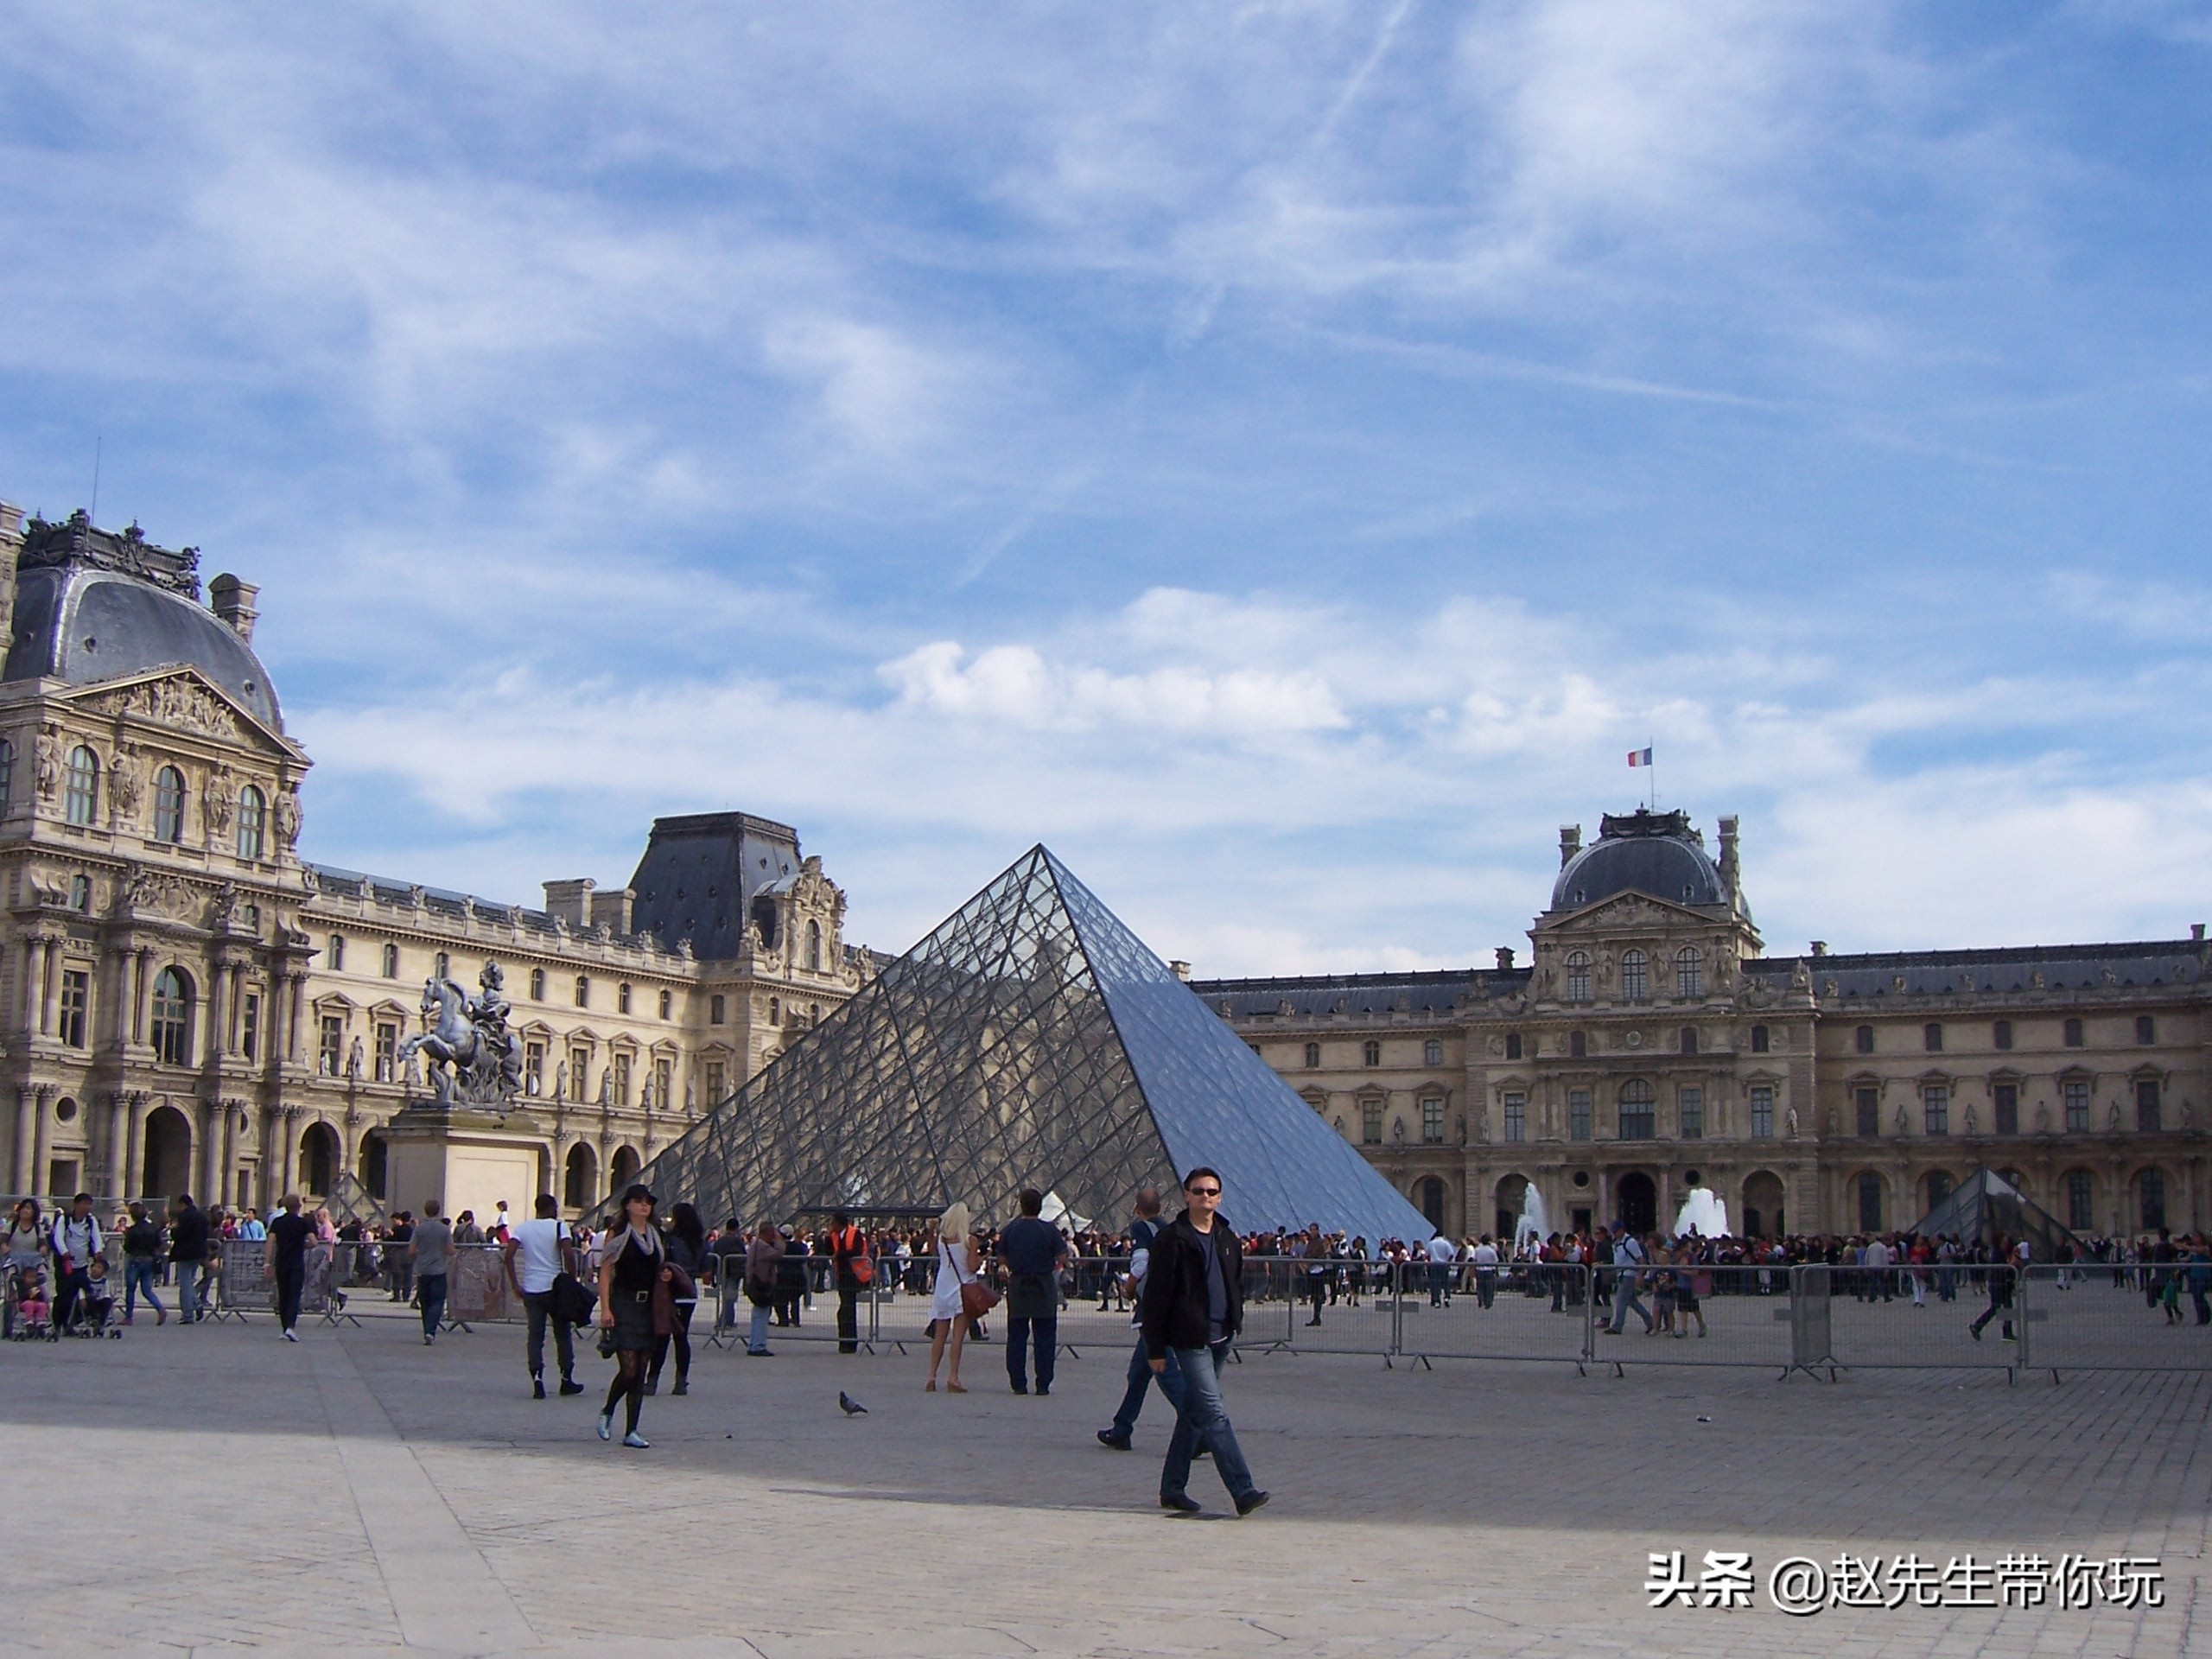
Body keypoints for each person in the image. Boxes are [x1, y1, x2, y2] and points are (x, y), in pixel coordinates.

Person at [1141, 1167, 1268, 1517]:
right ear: (1185, 1195)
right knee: (1213, 1412)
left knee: (1194, 1413)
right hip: (1190, 1337)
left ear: (1220, 1196)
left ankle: (1172, 1488)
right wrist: (1154, 1349)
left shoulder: (1227, 1236)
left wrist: (1235, 1319)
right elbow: (1155, 1296)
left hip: (1222, 1335)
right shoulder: (1172, 1238)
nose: (1205, 1197)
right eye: (1198, 1191)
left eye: (1211, 1191)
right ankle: (1242, 1490)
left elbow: (1235, 1282)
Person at [1098, 1186, 1185, 1451]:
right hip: (1170, 1305)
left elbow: (1140, 1260)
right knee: (1138, 1373)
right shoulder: (1171, 1229)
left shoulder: (1140, 1228)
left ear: (1137, 1209)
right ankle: (1122, 1428)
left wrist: (1130, 1285)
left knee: (1166, 1373)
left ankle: (1199, 1428)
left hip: (1152, 1311)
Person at [596, 1184, 666, 1448]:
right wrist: (605, 1308)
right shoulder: (618, 1232)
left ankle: (632, 1430)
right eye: (638, 1201)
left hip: (648, 1307)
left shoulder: (656, 1234)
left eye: (647, 1201)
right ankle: (608, 1410)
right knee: (629, 1368)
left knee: (640, 1372)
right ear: (627, 1205)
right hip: (624, 1304)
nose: (644, 1205)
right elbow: (605, 1271)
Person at [505, 1194, 585, 1398]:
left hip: (532, 1288)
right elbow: (568, 1253)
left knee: (535, 1336)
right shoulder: (559, 1227)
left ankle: (537, 1378)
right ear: (552, 1208)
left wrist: (516, 1283)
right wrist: (572, 1279)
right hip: (555, 1289)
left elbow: (509, 1255)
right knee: (563, 1334)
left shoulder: (523, 1228)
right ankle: (566, 1379)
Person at [998, 1188, 1071, 1395]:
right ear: (1040, 1206)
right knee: (1045, 1337)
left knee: (1016, 1337)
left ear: (1021, 1205)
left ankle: (1018, 1383)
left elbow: (1001, 1258)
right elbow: (1062, 1257)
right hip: (1043, 1286)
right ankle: (1043, 1384)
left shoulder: (1011, 1229)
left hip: (1019, 1286)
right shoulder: (1049, 1230)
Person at [647, 1202, 708, 1396]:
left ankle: (652, 1380)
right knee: (681, 1338)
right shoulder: (700, 1242)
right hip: (689, 1294)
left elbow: (662, 1263)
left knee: (662, 1337)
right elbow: (705, 1271)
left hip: (670, 1294)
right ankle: (681, 1382)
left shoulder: (670, 1239)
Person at [925, 1201, 981, 1394]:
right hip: (961, 1291)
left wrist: (931, 1230)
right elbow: (972, 1267)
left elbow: (931, 1250)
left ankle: (932, 1376)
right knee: (957, 1336)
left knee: (939, 1336)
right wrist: (982, 1256)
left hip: (942, 1288)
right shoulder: (969, 1240)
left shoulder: (942, 1239)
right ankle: (953, 1377)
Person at [266, 1194, 317, 1341]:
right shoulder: (302, 1223)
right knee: (294, 1296)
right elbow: (313, 1241)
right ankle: (291, 1327)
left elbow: (270, 1242)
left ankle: (283, 1328)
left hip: (281, 1262)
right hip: (296, 1262)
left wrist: (267, 1263)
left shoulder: (277, 1222)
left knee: (283, 1295)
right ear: (299, 1207)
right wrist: (304, 1245)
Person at [49, 1192, 103, 1333]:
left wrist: (98, 1251)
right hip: (65, 1265)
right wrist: (64, 1252)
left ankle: (79, 1321)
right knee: (64, 1296)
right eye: (83, 1204)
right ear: (76, 1205)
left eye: (89, 1204)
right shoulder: (64, 1219)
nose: (86, 1207)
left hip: (81, 1265)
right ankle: (58, 1323)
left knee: (88, 1292)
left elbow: (96, 1237)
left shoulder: (91, 1221)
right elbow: (58, 1238)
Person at [410, 1198, 453, 1345]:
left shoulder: (419, 1229)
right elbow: (450, 1250)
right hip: (439, 1270)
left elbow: (411, 1250)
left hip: (423, 1270)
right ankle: (431, 1331)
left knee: (425, 1302)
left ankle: (426, 1330)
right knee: (437, 1302)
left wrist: (418, 1258)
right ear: (439, 1211)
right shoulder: (444, 1229)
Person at [118, 1201, 168, 1327]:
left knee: (130, 1289)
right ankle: (160, 1308)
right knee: (147, 1290)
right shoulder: (154, 1228)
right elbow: (159, 1244)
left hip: (135, 1260)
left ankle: (129, 1317)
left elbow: (127, 1247)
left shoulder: (132, 1231)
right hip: (150, 1261)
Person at [828, 1208, 870, 1355]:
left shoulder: (855, 1233)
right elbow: (828, 1250)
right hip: (842, 1275)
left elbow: (857, 1250)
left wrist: (839, 1255)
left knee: (847, 1308)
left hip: (853, 1275)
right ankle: (845, 1342)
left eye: (832, 1221)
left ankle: (849, 1342)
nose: (830, 1224)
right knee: (846, 1308)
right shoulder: (833, 1235)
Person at [743, 1216, 785, 1356]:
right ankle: (758, 1345)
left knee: (757, 1316)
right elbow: (778, 1253)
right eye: (772, 1234)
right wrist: (779, 1241)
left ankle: (754, 1344)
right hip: (762, 1285)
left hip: (755, 1284)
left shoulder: (755, 1245)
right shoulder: (762, 1247)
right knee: (762, 1317)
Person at [168, 1194, 210, 1324]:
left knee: (185, 1284)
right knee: (189, 1282)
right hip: (198, 1252)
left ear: (183, 1204)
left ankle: (191, 1310)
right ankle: (190, 1309)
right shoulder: (202, 1217)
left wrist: (173, 1230)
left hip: (185, 1252)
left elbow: (178, 1235)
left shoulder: (183, 1217)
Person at [5, 1199, 45, 1338]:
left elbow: (42, 1244)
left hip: (31, 1265)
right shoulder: (12, 1225)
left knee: (39, 1287)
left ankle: (38, 1322)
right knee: (12, 1295)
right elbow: (3, 1241)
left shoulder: (37, 1228)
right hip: (14, 1262)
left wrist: (43, 1250)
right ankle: (8, 1325)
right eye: (23, 1208)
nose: (25, 1211)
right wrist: (5, 1248)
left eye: (28, 1208)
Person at [1969, 1232, 2018, 1342]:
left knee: (1996, 1307)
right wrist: (2012, 1263)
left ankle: (1978, 1326)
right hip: (2000, 1283)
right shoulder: (1999, 1253)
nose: (2007, 1243)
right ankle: (2006, 1332)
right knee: (2005, 1307)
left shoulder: (1996, 1252)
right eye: (2005, 1241)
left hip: (1996, 1283)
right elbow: (2002, 1268)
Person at [1605, 1228, 1653, 1335]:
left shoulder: (1630, 1242)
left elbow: (1640, 1259)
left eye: (1616, 1231)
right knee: (1632, 1301)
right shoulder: (1617, 1242)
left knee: (1621, 1300)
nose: (1614, 1233)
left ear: (1621, 1230)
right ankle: (1651, 1322)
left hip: (1628, 1274)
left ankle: (1617, 1326)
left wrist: (1640, 1274)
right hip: (1621, 1274)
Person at [1426, 1226, 1456, 1308]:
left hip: (1434, 1264)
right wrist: (1447, 1262)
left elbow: (1427, 1254)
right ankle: (1446, 1297)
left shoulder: (1431, 1243)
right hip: (1444, 1265)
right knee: (1446, 1282)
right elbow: (1451, 1254)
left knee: (1435, 1283)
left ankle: (1436, 1301)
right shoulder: (1446, 1243)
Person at [1470, 1234, 1500, 1310]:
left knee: (1480, 1286)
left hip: (1480, 1270)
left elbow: (1474, 1260)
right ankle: (1488, 1302)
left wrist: (1473, 1270)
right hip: (1489, 1270)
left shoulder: (1477, 1250)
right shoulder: (1491, 1251)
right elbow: (1496, 1261)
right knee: (1489, 1287)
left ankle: (1480, 1298)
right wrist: (1496, 1272)